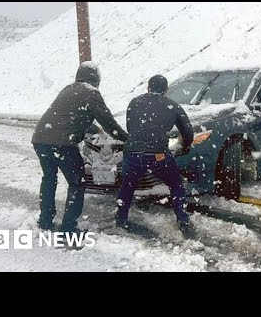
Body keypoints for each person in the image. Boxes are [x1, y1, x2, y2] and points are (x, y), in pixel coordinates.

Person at [32, 61, 128, 235]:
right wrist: (127, 139)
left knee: (49, 178)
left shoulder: (68, 89)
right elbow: (109, 123)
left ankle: (45, 220)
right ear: (96, 79)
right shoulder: (91, 92)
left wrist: (94, 129)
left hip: (40, 139)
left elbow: (70, 116)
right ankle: (68, 226)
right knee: (77, 182)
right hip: (62, 143)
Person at [115, 74, 194, 235]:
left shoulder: (135, 102)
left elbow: (131, 128)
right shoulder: (172, 105)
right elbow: (187, 132)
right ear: (166, 90)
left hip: (132, 152)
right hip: (158, 154)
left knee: (128, 185)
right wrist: (185, 147)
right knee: (175, 183)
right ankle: (182, 218)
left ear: (148, 87)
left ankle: (121, 218)